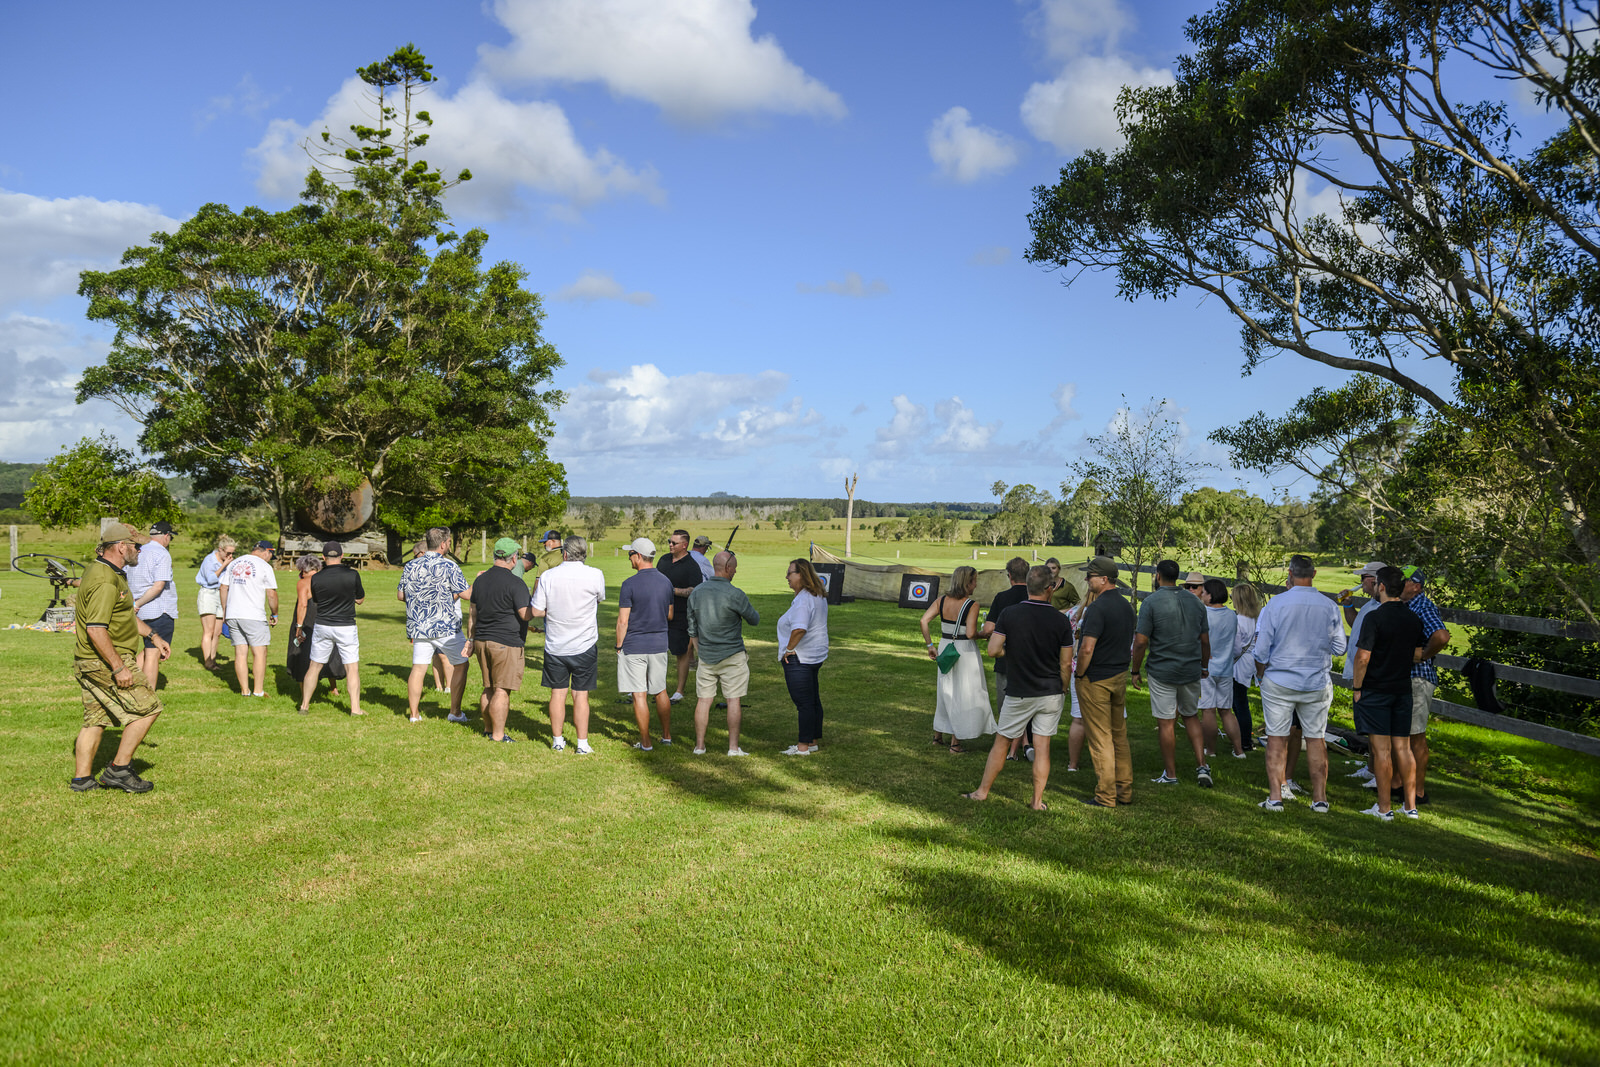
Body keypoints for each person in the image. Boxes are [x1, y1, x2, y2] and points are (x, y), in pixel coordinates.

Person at [962, 566, 1074, 811]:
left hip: (1019, 691)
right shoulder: (1061, 620)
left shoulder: (1010, 613)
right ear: (1050, 588)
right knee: (1042, 748)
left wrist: (1010, 653)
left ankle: (982, 792)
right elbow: (1066, 663)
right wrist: (1063, 688)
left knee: (1002, 742)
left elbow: (993, 650)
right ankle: (1037, 801)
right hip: (1051, 691)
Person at [70, 522, 168, 793]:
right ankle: (119, 769)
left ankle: (82, 780)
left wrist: (153, 636)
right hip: (104, 660)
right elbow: (96, 628)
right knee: (149, 708)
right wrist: (118, 667)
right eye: (136, 546)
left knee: (96, 719)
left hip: (88, 660)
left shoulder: (109, 572)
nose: (140, 550)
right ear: (121, 547)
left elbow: (123, 616)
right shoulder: (105, 580)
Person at [1254, 555, 1347, 812]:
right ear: (1314, 573)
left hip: (1280, 678)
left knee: (1276, 738)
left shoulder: (1276, 604)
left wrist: (1260, 674)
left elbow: (1261, 650)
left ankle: (1275, 797)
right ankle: (1320, 799)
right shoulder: (1329, 606)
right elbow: (1340, 647)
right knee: (1316, 739)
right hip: (1315, 680)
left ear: (1290, 573)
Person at [1352, 566, 1430, 819]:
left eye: (1376, 584)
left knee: (1382, 751)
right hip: (1402, 690)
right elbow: (1418, 653)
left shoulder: (1374, 618)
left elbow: (1362, 657)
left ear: (1382, 586)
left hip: (1376, 689)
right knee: (1403, 749)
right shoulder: (1413, 618)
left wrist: (1357, 688)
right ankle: (1410, 806)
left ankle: (1384, 808)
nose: (1374, 588)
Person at [1130, 559, 1213, 787]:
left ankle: (1171, 773)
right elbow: (1205, 641)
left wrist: (1135, 670)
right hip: (1191, 668)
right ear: (1178, 577)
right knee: (1191, 715)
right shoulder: (1196, 602)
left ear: (1158, 576)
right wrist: (1204, 666)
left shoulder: (1151, 602)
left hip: (1162, 670)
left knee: (1166, 723)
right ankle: (1202, 765)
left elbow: (1141, 641)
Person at [530, 534, 606, 752]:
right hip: (584, 644)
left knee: (558, 693)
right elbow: (599, 598)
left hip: (556, 644)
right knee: (581, 695)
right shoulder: (595, 574)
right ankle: (582, 744)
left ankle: (557, 740)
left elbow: (536, 611)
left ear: (564, 553)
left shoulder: (548, 576)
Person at [1073, 556, 1136, 807]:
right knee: (1119, 736)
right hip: (1118, 676)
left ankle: (1106, 795)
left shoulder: (1097, 608)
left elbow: (1087, 648)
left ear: (1104, 579)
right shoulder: (1126, 606)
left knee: (1100, 739)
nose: (1086, 579)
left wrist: (1079, 674)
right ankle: (1124, 790)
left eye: (1090, 576)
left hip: (1096, 679)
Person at [686, 551, 759, 756]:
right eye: (734, 568)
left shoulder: (697, 592)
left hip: (706, 656)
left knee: (703, 700)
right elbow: (754, 619)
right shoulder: (735, 594)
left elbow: (691, 628)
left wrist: (699, 650)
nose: (735, 572)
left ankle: (700, 746)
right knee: (733, 700)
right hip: (732, 655)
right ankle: (733, 748)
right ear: (727, 568)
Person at [398, 527, 472, 724]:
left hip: (419, 626)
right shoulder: (449, 566)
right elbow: (466, 594)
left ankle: (414, 714)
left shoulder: (410, 566)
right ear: (443, 544)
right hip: (445, 626)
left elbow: (401, 595)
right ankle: (455, 712)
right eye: (449, 543)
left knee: (418, 668)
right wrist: (479, 581)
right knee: (461, 663)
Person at [921, 566, 997, 753]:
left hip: (945, 647)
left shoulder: (941, 601)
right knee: (964, 692)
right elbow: (970, 633)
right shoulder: (972, 605)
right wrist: (984, 635)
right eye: (974, 581)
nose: (976, 585)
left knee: (945, 690)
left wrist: (930, 645)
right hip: (964, 650)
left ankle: (938, 736)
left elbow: (923, 621)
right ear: (967, 583)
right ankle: (955, 742)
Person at [469, 538, 535, 743]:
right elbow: (525, 614)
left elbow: (472, 613)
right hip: (506, 642)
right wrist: (541, 609)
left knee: (488, 687)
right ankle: (498, 735)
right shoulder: (516, 583)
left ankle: (488, 729)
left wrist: (470, 639)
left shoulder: (480, 580)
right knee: (501, 689)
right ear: (513, 558)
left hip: (481, 640)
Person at [617, 537, 675, 750]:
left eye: (630, 554)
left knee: (639, 693)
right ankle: (666, 736)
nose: (629, 558)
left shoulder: (629, 584)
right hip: (659, 643)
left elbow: (623, 621)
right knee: (660, 690)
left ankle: (646, 742)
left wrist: (618, 646)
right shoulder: (666, 582)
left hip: (634, 645)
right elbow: (670, 614)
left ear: (638, 556)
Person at [1399, 566, 1451, 805]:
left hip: (1418, 678)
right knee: (1403, 734)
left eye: (1404, 581)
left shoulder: (1423, 606)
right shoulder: (1404, 605)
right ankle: (1400, 785)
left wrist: (1425, 654)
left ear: (1416, 586)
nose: (1400, 584)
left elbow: (1441, 636)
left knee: (1416, 736)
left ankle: (1418, 792)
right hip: (1404, 677)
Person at [296, 542, 365, 716]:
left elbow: (317, 600)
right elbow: (360, 599)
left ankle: (304, 706)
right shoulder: (352, 574)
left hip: (323, 625)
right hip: (345, 626)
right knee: (352, 668)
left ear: (323, 557)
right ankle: (355, 709)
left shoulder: (316, 578)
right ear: (342, 556)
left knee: (314, 666)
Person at [778, 558, 830, 755]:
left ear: (801, 575)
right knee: (812, 699)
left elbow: (799, 628)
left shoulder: (803, 600)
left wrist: (789, 649)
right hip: (814, 656)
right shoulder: (816, 595)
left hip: (800, 657)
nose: (787, 577)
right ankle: (812, 741)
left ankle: (802, 747)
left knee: (804, 703)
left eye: (790, 573)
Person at [978, 557, 1030, 751]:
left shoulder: (1002, 598)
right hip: (1031, 657)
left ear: (1009, 576)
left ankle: (1009, 740)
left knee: (1006, 700)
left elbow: (989, 628)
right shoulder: (1036, 595)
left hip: (1006, 656)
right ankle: (1027, 741)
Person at [220, 540, 279, 697]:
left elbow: (223, 587)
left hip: (233, 614)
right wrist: (274, 613)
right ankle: (258, 691)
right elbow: (271, 594)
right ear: (266, 552)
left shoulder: (234, 563)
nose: (270, 559)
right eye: (271, 556)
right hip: (253, 615)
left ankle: (244, 691)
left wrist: (225, 611)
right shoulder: (264, 566)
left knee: (240, 653)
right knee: (260, 652)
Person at [126, 520, 178, 690]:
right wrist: (138, 603)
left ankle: (130, 684)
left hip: (140, 613)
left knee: (148, 649)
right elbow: (158, 586)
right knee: (153, 654)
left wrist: (134, 604)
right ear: (166, 536)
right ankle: (149, 696)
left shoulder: (139, 551)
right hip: (158, 610)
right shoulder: (162, 554)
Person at [657, 529, 705, 703]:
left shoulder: (692, 566)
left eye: (674, 543)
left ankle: (679, 691)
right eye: (669, 542)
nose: (670, 545)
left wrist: (672, 590)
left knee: (681, 652)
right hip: (660, 613)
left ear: (684, 545)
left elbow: (695, 591)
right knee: (657, 652)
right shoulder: (663, 560)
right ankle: (657, 688)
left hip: (680, 615)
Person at [287, 555, 345, 697]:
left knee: (302, 654)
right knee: (330, 651)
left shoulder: (303, 582)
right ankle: (334, 688)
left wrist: (298, 627)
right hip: (328, 620)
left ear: (303, 569)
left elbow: (303, 605)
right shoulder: (328, 580)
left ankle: (304, 694)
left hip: (309, 621)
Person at [1199, 578, 1244, 759]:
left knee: (1208, 710)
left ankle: (1210, 750)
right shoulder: (1232, 615)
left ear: (1210, 595)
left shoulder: (1203, 614)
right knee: (1226, 711)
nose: (1201, 595)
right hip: (1226, 668)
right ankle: (1239, 750)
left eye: (1203, 592)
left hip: (1206, 668)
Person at [1062, 584, 1097, 772]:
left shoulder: (1073, 614)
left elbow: (1065, 643)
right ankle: (1105, 762)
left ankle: (1073, 764)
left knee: (1078, 718)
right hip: (1103, 669)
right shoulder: (1111, 612)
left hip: (1077, 668)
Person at [1230, 583, 1263, 752]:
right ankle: (1244, 738)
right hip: (1251, 662)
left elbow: (1236, 648)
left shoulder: (1237, 620)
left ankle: (1244, 741)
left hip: (1239, 663)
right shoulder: (1256, 619)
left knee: (1239, 703)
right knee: (1240, 701)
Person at [196, 535, 236, 670]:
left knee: (218, 632)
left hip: (221, 594)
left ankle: (213, 661)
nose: (230, 556)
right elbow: (211, 579)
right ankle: (208, 662)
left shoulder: (227, 560)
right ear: (220, 549)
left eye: (232, 553)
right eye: (228, 553)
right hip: (208, 594)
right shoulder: (210, 560)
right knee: (209, 630)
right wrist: (224, 565)